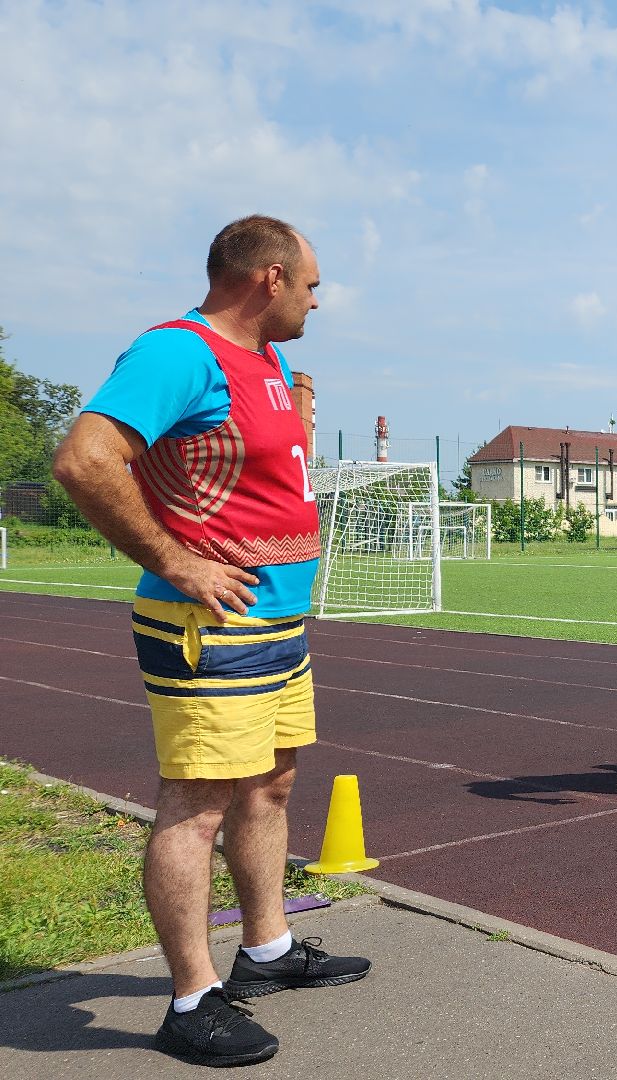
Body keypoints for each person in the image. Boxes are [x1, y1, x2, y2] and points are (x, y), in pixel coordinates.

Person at [51, 215, 370, 1068]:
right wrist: (175, 561)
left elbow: (257, 477)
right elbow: (84, 460)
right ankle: (191, 1001)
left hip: (276, 619)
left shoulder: (269, 363)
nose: (316, 302)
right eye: (311, 285)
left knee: (270, 784)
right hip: (210, 626)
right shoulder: (177, 353)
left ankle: (266, 949)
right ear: (270, 277)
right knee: (196, 806)